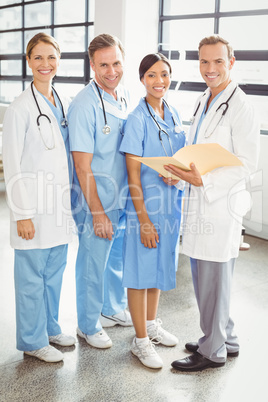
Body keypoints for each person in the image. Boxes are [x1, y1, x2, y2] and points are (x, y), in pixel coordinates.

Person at [164, 35, 260, 371]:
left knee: (214, 278)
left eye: (218, 61)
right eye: (204, 61)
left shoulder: (241, 105)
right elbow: (198, 150)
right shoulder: (204, 99)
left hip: (220, 206)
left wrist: (204, 181)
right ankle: (223, 337)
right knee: (205, 275)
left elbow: (247, 163)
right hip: (199, 201)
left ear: (231, 62)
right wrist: (180, 173)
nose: (210, 68)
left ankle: (212, 351)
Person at [2, 33, 75, 363]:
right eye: (39, 58)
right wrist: (21, 214)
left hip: (58, 207)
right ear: (28, 61)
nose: (45, 64)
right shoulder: (19, 108)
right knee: (31, 277)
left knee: (54, 273)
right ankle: (32, 340)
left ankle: (49, 327)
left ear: (58, 62)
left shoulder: (60, 101)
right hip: (32, 208)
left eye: (51, 58)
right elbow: (13, 162)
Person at [119, 53, 186, 369]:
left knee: (158, 268)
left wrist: (176, 173)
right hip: (144, 209)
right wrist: (143, 221)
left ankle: (152, 324)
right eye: (152, 75)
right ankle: (140, 340)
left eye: (165, 74)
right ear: (142, 79)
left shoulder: (172, 113)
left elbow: (178, 158)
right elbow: (132, 175)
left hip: (169, 206)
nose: (160, 81)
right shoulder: (137, 118)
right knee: (139, 272)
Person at [68, 33, 132, 350]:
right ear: (92, 65)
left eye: (116, 63)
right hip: (95, 201)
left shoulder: (124, 96)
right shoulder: (84, 104)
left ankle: (111, 308)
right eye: (103, 64)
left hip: (120, 197)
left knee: (114, 259)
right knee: (93, 264)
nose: (111, 71)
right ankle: (88, 324)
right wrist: (97, 212)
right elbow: (82, 166)